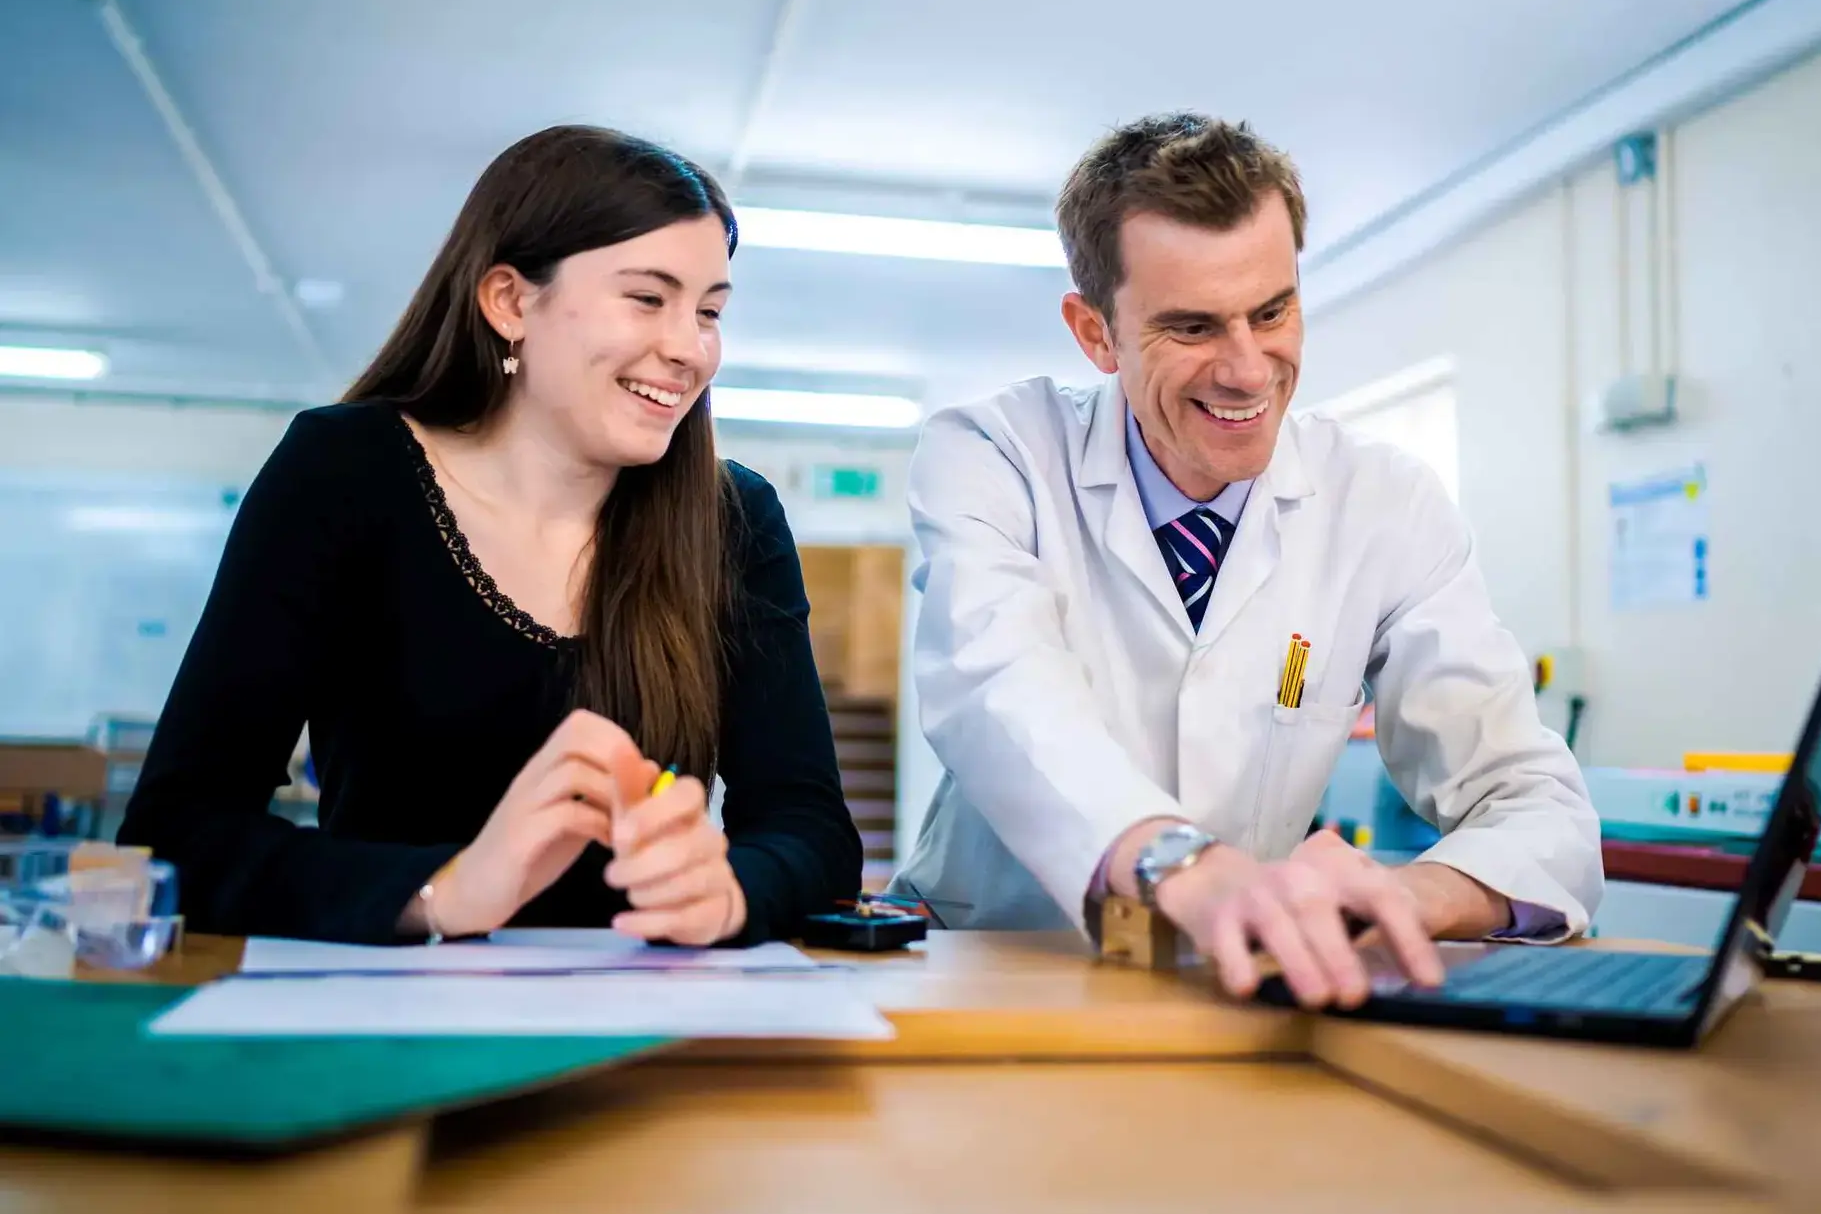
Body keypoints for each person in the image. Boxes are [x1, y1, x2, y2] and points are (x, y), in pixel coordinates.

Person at [892, 113, 1601, 1007]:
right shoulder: (995, 455)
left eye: (1273, 311)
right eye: (1192, 327)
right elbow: (999, 691)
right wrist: (1180, 863)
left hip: (1234, 994)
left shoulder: (1383, 504)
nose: (1248, 370)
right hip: (997, 973)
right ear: (1095, 333)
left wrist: (1404, 897)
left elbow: (1537, 801)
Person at [120, 126, 863, 946]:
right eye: (648, 299)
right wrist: (445, 888)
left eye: (710, 311)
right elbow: (176, 831)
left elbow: (813, 832)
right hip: (393, 1025)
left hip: (644, 1027)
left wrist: (731, 891)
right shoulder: (345, 472)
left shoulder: (734, 520)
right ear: (511, 301)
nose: (690, 348)